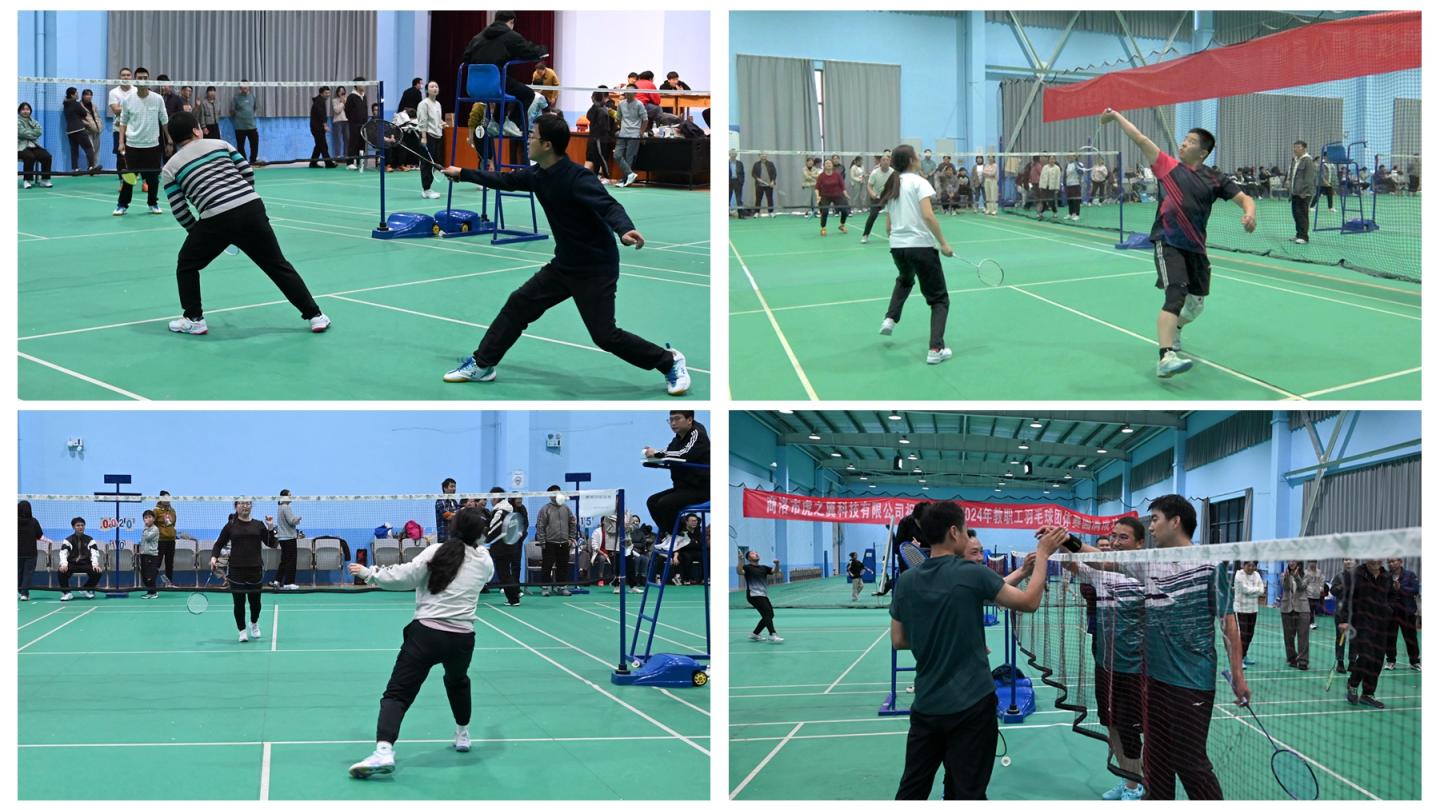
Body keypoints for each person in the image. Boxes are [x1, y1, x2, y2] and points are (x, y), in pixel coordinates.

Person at [440, 115, 688, 394]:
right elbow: (504, 180)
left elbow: (609, 206)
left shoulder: (578, 177)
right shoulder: (538, 175)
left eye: (532, 135)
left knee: (605, 336)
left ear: (547, 144)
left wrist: (624, 229)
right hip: (565, 264)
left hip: (596, 267)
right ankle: (483, 364)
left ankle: (670, 362)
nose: (528, 140)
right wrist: (462, 173)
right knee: (519, 303)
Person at [891, 501, 1063, 800]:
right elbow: (1029, 602)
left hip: (926, 706)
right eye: (965, 529)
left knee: (912, 790)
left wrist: (946, 637)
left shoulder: (905, 581)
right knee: (968, 792)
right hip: (971, 706)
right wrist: (1044, 555)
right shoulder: (971, 574)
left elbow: (899, 640)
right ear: (954, 532)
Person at [1101, 107, 1256, 379]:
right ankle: (1165, 357)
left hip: (1196, 248)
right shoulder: (1167, 167)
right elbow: (1139, 138)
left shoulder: (1215, 178)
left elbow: (1245, 198)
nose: (1183, 143)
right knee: (1175, 294)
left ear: (1203, 153)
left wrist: (1250, 214)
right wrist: (1115, 116)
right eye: (1184, 139)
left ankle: (1177, 329)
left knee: (1195, 306)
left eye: (1190, 141)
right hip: (1168, 240)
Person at [346, 506, 495, 779]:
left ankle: (384, 751)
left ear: (455, 528)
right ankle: (463, 734)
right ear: (480, 534)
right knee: (457, 682)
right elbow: (485, 572)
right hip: (462, 639)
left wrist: (369, 574)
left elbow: (404, 576)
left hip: (426, 635)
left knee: (397, 694)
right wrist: (480, 548)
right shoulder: (485, 561)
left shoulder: (436, 551)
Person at [160, 111, 331, 336]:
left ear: (173, 138)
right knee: (277, 264)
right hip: (252, 208)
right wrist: (243, 200)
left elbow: (180, 210)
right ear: (196, 131)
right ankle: (315, 316)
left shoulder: (170, 168)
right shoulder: (220, 144)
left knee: (187, 264)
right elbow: (247, 172)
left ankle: (194, 319)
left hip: (215, 219)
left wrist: (197, 233)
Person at [1132, 494, 1247, 799]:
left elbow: (1228, 622)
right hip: (1154, 678)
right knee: (1155, 757)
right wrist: (1067, 543)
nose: (1150, 527)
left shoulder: (1210, 563)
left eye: (1154, 519)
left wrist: (1237, 674)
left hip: (1191, 681)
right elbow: (1101, 560)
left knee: (1189, 761)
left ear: (1175, 521)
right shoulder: (1150, 562)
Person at [1062, 516, 1146, 800]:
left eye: (1123, 537)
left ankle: (1136, 786)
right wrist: (1059, 541)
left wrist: (1069, 540)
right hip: (1106, 665)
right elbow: (1071, 564)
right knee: (1111, 724)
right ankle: (1127, 778)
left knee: (1131, 729)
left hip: (1136, 668)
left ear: (1139, 543)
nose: (1115, 542)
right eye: (1113, 536)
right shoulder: (1101, 574)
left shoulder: (1146, 572)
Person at [875, 144, 954, 366]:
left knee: (905, 279)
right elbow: (928, 215)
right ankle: (936, 349)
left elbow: (888, 226)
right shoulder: (919, 182)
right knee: (939, 300)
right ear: (911, 160)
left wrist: (900, 239)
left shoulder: (893, 183)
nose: (920, 158)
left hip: (897, 247)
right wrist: (943, 243)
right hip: (920, 248)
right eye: (917, 155)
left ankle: (890, 318)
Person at [461, 11, 549, 135]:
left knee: (507, 84)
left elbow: (466, 57)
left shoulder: (478, 37)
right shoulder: (511, 36)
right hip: (495, 84)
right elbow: (528, 51)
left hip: (473, 87)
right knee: (527, 94)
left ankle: (497, 121)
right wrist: (543, 50)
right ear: (511, 22)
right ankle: (510, 123)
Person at [211, 500, 278, 643]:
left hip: (255, 569)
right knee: (239, 603)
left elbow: (272, 543)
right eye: (242, 504)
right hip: (236, 570)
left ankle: (253, 623)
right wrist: (213, 557)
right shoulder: (230, 526)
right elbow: (218, 544)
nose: (245, 506)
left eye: (248, 503)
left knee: (256, 603)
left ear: (251, 506)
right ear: (236, 506)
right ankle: (242, 631)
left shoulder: (258, 525)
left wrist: (270, 527)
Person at [642, 411, 709, 542]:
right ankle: (670, 535)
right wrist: (655, 458)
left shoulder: (697, 434)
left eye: (677, 419)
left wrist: (657, 453)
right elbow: (669, 452)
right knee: (652, 502)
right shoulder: (677, 439)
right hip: (682, 488)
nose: (673, 423)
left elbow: (683, 454)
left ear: (689, 420)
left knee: (665, 503)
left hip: (701, 489)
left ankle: (679, 536)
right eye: (670, 420)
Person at [114, 67, 170, 217]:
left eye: (145, 78)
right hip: (133, 145)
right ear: (135, 80)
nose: (143, 80)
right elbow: (123, 122)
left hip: (152, 145)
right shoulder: (128, 100)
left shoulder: (157, 99)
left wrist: (169, 140)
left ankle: (153, 203)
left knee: (153, 179)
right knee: (129, 178)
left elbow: (164, 120)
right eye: (140, 78)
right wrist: (121, 142)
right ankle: (122, 205)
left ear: (149, 79)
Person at [1341, 559, 1394, 708]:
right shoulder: (1356, 574)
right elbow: (1346, 598)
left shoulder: (1387, 576)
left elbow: (1392, 596)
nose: (1375, 560)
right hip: (1361, 622)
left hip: (1381, 623)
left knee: (1377, 659)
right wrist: (1344, 620)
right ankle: (1353, 685)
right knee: (1366, 656)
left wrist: (1389, 609)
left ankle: (1368, 694)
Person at [484, 488, 524, 606]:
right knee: (506, 573)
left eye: (491, 498)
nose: (490, 500)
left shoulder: (500, 512)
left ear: (496, 497)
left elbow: (494, 529)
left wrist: (485, 539)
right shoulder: (509, 510)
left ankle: (514, 598)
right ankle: (514, 595)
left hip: (502, 548)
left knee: (504, 573)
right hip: (510, 545)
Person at [535, 485, 577, 596]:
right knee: (547, 566)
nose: (556, 496)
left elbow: (572, 523)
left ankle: (561, 587)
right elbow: (540, 526)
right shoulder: (545, 509)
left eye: (557, 493)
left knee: (563, 566)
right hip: (549, 543)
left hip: (564, 543)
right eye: (553, 494)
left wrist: (571, 538)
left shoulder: (566, 508)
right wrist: (542, 541)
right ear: (549, 496)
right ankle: (545, 587)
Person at [738, 550, 783, 643]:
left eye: (756, 552)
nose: (756, 554)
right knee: (767, 614)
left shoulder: (763, 568)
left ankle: (755, 634)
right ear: (749, 558)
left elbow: (775, 571)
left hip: (763, 595)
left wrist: (777, 564)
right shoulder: (747, 567)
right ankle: (772, 634)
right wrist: (740, 560)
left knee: (770, 615)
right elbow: (739, 571)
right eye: (753, 553)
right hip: (754, 595)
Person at [1384, 558, 1420, 671]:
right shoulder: (1385, 576)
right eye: (1389, 562)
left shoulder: (1410, 575)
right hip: (1391, 612)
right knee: (1390, 638)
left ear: (1400, 562)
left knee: (1411, 638)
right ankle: (1390, 661)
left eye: (1393, 561)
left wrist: (1401, 588)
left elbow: (1415, 590)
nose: (1391, 564)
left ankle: (1414, 662)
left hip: (1407, 612)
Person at [58, 517, 102, 601]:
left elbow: (94, 553)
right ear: (73, 527)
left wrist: (95, 565)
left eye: (82, 525)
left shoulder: (90, 540)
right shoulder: (68, 540)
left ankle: (85, 589)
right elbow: (63, 553)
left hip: (85, 563)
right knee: (61, 571)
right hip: (72, 563)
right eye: (78, 525)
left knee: (97, 572)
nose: (80, 527)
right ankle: (67, 593)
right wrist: (63, 564)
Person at [416, 80, 447, 199]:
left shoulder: (438, 104)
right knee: (427, 164)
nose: (435, 88)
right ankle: (426, 189)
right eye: (432, 86)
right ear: (427, 90)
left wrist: (442, 123)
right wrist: (423, 137)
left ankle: (428, 187)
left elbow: (438, 119)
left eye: (436, 86)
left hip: (438, 135)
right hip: (428, 136)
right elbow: (422, 121)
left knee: (435, 163)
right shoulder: (424, 104)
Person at [611, 87, 647, 189]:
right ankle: (630, 174)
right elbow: (618, 118)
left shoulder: (639, 104)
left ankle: (625, 180)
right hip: (622, 133)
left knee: (629, 157)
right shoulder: (621, 104)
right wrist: (620, 127)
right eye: (626, 92)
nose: (627, 94)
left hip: (634, 135)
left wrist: (641, 132)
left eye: (630, 92)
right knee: (617, 155)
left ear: (635, 93)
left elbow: (645, 120)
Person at [1280, 560, 1311, 670]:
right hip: (1287, 608)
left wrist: (1297, 577)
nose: (1291, 562)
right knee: (1288, 636)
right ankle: (1292, 657)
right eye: (1289, 560)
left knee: (1303, 636)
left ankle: (1303, 660)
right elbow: (1285, 588)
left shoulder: (1306, 574)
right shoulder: (1284, 574)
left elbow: (1302, 587)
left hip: (1302, 608)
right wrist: (1286, 578)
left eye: (1294, 560)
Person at [62, 87, 100, 173]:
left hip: (70, 131)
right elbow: (84, 113)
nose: (78, 94)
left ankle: (75, 169)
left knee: (74, 150)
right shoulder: (75, 103)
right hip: (79, 129)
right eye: (76, 93)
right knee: (89, 148)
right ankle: (91, 167)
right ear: (72, 95)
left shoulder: (65, 104)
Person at [1233, 560, 1263, 667]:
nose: (1251, 568)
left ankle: (1244, 655)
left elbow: (1262, 590)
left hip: (1253, 609)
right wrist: (1256, 590)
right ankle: (1239, 659)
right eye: (1248, 565)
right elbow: (1245, 590)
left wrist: (1253, 591)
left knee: (1250, 634)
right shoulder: (1238, 575)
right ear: (1243, 565)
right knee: (1243, 635)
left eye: (1253, 566)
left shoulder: (1257, 575)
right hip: (1241, 610)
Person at [17, 103, 53, 189]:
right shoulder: (17, 121)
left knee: (47, 156)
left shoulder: (34, 121)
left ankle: (45, 180)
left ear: (30, 111)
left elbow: (39, 132)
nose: (25, 111)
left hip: (34, 146)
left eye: (27, 109)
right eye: (23, 109)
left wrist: (29, 133)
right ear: (19, 111)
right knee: (30, 157)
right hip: (20, 147)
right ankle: (27, 180)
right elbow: (21, 133)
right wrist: (33, 133)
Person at [859, 154, 894, 244]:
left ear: (890, 162)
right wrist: (872, 193)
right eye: (883, 160)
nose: (886, 162)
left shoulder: (893, 172)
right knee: (873, 215)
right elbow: (869, 186)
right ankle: (865, 235)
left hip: (889, 198)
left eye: (887, 160)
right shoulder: (875, 173)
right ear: (880, 162)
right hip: (877, 198)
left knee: (894, 216)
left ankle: (892, 235)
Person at [1287, 140, 1316, 244]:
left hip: (1304, 194)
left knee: (1302, 215)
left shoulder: (1308, 161)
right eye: (1294, 147)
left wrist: (1304, 192)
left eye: (1298, 147)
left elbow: (1309, 178)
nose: (1295, 149)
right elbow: (1292, 175)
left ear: (1304, 148)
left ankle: (1304, 237)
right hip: (1295, 193)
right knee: (1296, 214)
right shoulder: (1294, 160)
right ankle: (1298, 235)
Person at [1330, 558, 1356, 674]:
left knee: (1354, 638)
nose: (1348, 562)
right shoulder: (1338, 576)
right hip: (1341, 613)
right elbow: (1332, 591)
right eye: (1346, 559)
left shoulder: (1359, 577)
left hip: (1355, 613)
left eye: (1350, 559)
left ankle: (1352, 662)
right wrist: (1341, 586)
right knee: (1340, 637)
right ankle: (1340, 662)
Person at [584, 89, 614, 182]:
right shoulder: (596, 108)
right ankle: (595, 175)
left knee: (601, 157)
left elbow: (604, 127)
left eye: (593, 97)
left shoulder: (602, 110)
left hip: (599, 139)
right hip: (594, 137)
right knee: (592, 158)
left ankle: (606, 176)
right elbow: (588, 116)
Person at [274, 490, 303, 591]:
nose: (291, 497)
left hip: (282, 538)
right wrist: (298, 519)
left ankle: (277, 581)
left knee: (284, 560)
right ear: (284, 497)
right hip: (289, 538)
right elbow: (291, 521)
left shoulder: (280, 507)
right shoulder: (286, 507)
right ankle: (288, 583)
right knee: (291, 561)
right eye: (290, 495)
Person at [815, 158, 848, 236]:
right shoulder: (821, 176)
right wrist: (817, 196)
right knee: (825, 212)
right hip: (825, 196)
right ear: (824, 166)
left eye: (830, 163)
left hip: (837, 195)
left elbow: (842, 186)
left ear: (832, 165)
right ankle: (823, 228)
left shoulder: (837, 175)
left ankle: (842, 225)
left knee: (844, 210)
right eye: (826, 163)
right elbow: (817, 188)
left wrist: (845, 194)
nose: (828, 164)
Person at [18, 501, 44, 601]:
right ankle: (24, 594)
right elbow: (39, 535)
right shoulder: (33, 521)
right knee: (27, 574)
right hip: (31, 552)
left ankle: (20, 591)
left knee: (18, 572)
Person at [107, 67, 136, 158]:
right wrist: (133, 106)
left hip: (135, 129)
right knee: (121, 156)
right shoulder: (113, 92)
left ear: (131, 77)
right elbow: (116, 110)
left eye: (128, 75)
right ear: (119, 77)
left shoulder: (136, 91)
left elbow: (139, 109)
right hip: (118, 129)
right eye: (123, 75)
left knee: (134, 155)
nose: (126, 77)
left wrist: (121, 107)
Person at [229, 80, 259, 164]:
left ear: (248, 86)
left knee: (254, 144)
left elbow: (254, 108)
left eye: (246, 86)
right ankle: (243, 162)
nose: (244, 88)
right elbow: (231, 111)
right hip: (240, 127)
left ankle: (253, 160)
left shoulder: (253, 97)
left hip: (251, 126)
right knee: (240, 145)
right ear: (240, 87)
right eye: (243, 86)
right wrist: (237, 113)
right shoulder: (236, 98)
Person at [307, 86, 336, 169]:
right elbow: (321, 115)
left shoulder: (320, 101)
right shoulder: (320, 102)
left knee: (319, 146)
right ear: (321, 93)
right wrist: (325, 125)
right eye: (326, 93)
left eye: (329, 93)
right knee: (323, 145)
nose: (328, 94)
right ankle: (328, 163)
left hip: (317, 127)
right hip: (317, 128)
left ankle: (313, 163)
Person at [154, 492, 178, 587]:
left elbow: (173, 524)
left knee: (169, 563)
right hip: (160, 541)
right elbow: (152, 524)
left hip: (171, 541)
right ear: (161, 499)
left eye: (168, 498)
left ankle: (169, 584)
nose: (167, 500)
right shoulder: (156, 511)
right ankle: (152, 584)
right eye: (165, 498)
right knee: (157, 563)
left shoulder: (172, 511)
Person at [344, 81, 369, 170]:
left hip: (364, 124)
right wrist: (353, 120)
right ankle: (349, 163)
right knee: (353, 143)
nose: (364, 86)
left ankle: (360, 162)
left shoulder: (364, 96)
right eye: (362, 84)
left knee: (362, 143)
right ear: (357, 85)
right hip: (354, 124)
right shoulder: (351, 97)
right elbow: (347, 110)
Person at [138, 510, 161, 599]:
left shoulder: (155, 529)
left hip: (152, 555)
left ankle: (153, 592)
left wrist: (145, 527)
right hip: (144, 554)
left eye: (150, 517)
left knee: (150, 575)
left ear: (153, 519)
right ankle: (149, 591)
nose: (148, 519)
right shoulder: (146, 529)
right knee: (144, 575)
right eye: (145, 517)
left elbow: (147, 538)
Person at [435, 479, 460, 543]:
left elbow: (458, 517)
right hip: (444, 538)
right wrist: (459, 513)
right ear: (445, 488)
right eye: (451, 486)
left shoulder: (454, 502)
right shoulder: (440, 501)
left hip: (455, 538)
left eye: (455, 487)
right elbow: (447, 516)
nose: (454, 489)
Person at [1304, 561, 1326, 630]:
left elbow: (1322, 580)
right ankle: (1310, 623)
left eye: (1314, 562)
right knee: (1309, 609)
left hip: (1316, 594)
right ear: (1308, 563)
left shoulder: (1319, 572)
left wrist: (1321, 587)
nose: (1312, 563)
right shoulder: (1305, 572)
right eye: (1310, 562)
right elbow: (1303, 583)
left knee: (1313, 609)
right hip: (1307, 594)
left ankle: (1311, 622)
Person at [1063, 154, 1085, 220]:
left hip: (1076, 184)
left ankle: (1077, 215)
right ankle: (1070, 214)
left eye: (1072, 156)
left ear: (1074, 157)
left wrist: (1077, 166)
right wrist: (1064, 184)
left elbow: (1081, 173)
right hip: (1068, 185)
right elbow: (1065, 175)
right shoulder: (1067, 165)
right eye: (1068, 156)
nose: (1070, 157)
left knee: (1076, 200)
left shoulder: (1078, 164)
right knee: (1070, 200)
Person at [330, 85, 348, 161]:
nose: (341, 92)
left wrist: (344, 101)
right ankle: (338, 156)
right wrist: (342, 102)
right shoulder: (335, 100)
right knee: (338, 139)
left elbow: (349, 110)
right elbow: (337, 110)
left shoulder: (347, 99)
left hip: (346, 121)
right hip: (338, 121)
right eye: (340, 91)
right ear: (337, 92)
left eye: (343, 90)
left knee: (347, 139)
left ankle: (346, 156)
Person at [727, 147, 745, 215]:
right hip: (728, 182)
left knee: (739, 199)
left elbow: (743, 173)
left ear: (736, 154)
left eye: (735, 153)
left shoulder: (740, 163)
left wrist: (742, 182)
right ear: (729, 154)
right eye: (732, 153)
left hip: (738, 182)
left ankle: (740, 214)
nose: (733, 154)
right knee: (727, 198)